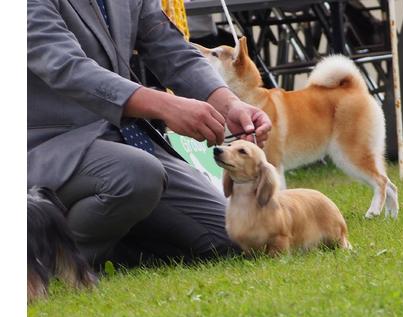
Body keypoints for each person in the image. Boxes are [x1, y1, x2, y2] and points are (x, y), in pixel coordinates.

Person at [27, 0, 271, 268]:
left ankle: (110, 247)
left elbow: (171, 49)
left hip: (121, 138)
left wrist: (230, 104)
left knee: (233, 237)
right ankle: (41, 262)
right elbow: (65, 66)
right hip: (47, 146)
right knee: (138, 175)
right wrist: (165, 105)